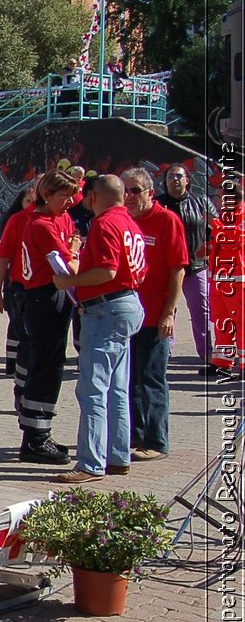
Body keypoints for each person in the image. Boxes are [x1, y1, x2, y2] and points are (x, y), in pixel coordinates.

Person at [51, 176, 147, 484]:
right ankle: (117, 456)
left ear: (93, 196)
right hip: (126, 303)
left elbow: (107, 270)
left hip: (106, 309)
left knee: (93, 388)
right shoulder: (129, 223)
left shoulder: (106, 224)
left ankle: (91, 462)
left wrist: (70, 281)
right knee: (117, 388)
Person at [14, 167, 83, 465]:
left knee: (53, 365)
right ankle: (34, 438)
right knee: (44, 367)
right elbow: (69, 266)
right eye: (63, 196)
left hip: (53, 296)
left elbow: (71, 236)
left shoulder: (56, 218)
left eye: (71, 195)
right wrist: (76, 250)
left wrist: (72, 245)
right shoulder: (41, 224)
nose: (69, 202)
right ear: (47, 195)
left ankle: (42, 430)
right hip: (44, 296)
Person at [121, 167, 187, 462]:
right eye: (125, 191)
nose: (129, 196)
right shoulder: (123, 220)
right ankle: (135, 434)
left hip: (154, 316)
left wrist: (169, 314)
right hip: (127, 316)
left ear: (149, 192)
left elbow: (178, 268)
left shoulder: (166, 221)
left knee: (151, 378)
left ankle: (156, 440)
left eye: (135, 190)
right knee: (130, 379)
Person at [154, 164, 221, 373]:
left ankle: (206, 353)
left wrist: (208, 245)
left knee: (201, 309)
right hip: (166, 267)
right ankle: (165, 351)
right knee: (167, 310)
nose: (175, 180)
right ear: (165, 181)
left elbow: (218, 227)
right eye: (171, 176)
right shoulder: (158, 205)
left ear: (187, 180)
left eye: (179, 176)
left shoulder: (201, 202)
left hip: (195, 265)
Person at [0, 178, 38, 378]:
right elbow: (2, 259)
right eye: (28, 200)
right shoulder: (16, 221)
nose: (32, 205)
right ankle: (13, 365)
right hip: (17, 285)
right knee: (18, 326)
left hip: (43, 288)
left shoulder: (61, 219)